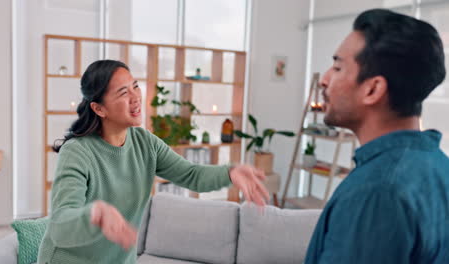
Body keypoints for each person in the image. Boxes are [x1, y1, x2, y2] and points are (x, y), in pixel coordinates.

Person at [37, 60, 269, 264]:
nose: (135, 97)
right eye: (122, 92)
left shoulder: (144, 142)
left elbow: (191, 175)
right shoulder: (78, 152)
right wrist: (95, 213)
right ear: (99, 108)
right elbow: (60, 226)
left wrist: (230, 173)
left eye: (135, 87)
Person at [305, 9, 449, 263]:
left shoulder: (377, 192)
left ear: (373, 89)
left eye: (338, 67)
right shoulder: (437, 164)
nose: (325, 80)